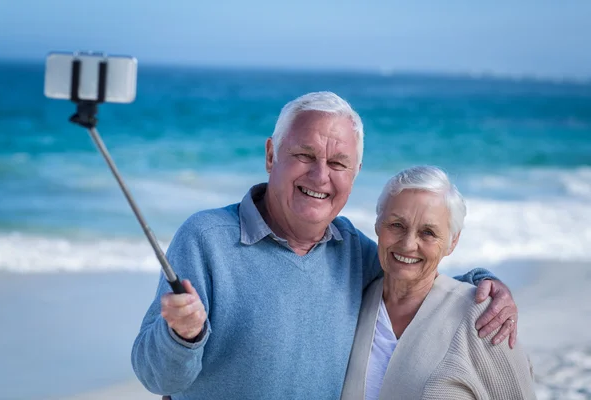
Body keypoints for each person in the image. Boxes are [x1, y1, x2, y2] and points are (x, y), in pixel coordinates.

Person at [131, 92, 519, 400]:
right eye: (304, 155)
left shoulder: (354, 251)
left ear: (355, 174)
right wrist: (182, 336)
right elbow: (156, 376)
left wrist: (486, 284)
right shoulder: (205, 239)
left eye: (338, 163)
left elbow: (415, 270)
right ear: (271, 155)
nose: (320, 176)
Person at [341, 165, 535, 400]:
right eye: (396, 225)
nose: (408, 244)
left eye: (428, 233)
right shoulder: (356, 299)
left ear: (452, 242)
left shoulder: (486, 319)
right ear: (377, 224)